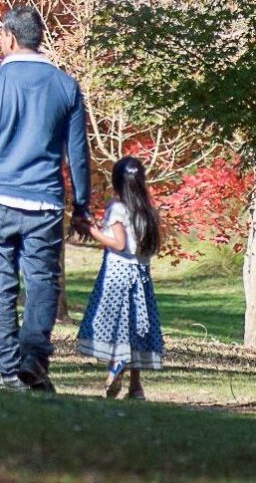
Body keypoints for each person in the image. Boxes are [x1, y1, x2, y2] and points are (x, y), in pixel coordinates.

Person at [0, 6, 92, 393]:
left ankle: (9, 372)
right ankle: (34, 361)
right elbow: (78, 154)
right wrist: (82, 206)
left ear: (10, 38)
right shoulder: (66, 86)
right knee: (43, 283)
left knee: (1, 286)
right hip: (46, 202)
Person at [77, 157, 164, 399]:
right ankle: (136, 386)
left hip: (117, 276)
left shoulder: (117, 208)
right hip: (142, 277)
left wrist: (92, 230)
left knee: (119, 327)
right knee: (136, 328)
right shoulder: (147, 210)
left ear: (117, 181)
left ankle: (116, 367)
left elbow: (118, 243)